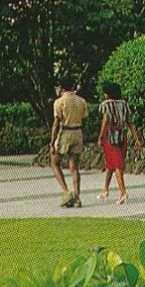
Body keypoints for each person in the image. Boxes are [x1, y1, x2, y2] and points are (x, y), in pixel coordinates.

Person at [96, 81, 144, 204]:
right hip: (121, 135)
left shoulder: (106, 105)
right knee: (112, 163)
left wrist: (100, 136)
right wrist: (136, 139)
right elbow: (130, 123)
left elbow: (105, 121)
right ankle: (105, 189)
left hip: (110, 135)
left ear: (107, 93)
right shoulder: (124, 104)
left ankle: (123, 193)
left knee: (116, 164)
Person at [50, 78, 89, 208]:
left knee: (55, 162)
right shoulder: (81, 101)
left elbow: (56, 123)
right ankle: (77, 196)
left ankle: (66, 192)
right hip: (78, 132)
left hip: (65, 132)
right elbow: (85, 120)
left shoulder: (59, 102)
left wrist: (52, 141)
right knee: (74, 166)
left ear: (61, 88)